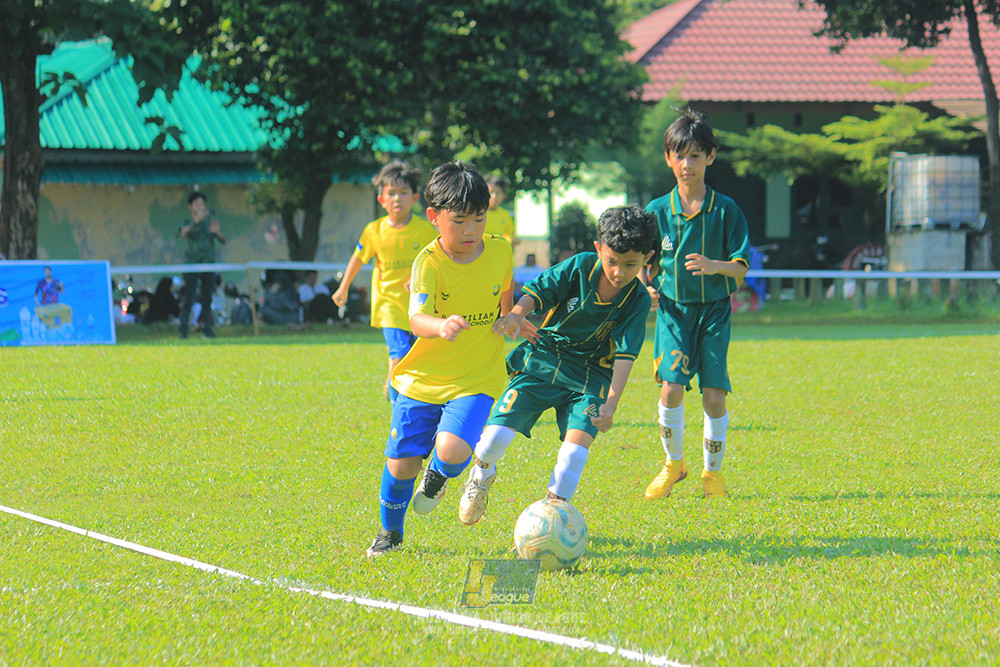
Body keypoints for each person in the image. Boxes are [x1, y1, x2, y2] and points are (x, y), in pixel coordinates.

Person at [456, 205, 657, 525]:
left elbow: (626, 353)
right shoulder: (579, 267)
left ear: (647, 258)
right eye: (612, 262)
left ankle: (551, 518)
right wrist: (517, 314)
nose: (619, 272)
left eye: (631, 264)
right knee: (494, 440)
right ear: (598, 249)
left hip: (591, 377)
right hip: (545, 358)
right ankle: (481, 474)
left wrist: (611, 403)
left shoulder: (638, 300)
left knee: (575, 454)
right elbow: (539, 291)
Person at [365, 161, 519, 557]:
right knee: (401, 467)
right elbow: (415, 319)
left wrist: (511, 318)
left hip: (477, 377)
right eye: (460, 221)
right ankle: (390, 534)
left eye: (479, 219)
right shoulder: (428, 263)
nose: (471, 231)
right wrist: (441, 325)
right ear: (434, 217)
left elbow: (505, 290)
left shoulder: (500, 249)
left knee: (451, 452)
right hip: (421, 379)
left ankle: (440, 475)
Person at [642, 109, 751, 500]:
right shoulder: (655, 212)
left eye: (695, 155)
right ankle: (673, 464)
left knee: (714, 396)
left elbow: (740, 270)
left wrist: (713, 266)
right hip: (673, 313)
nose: (687, 164)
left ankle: (713, 474)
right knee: (670, 390)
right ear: (668, 158)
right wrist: (646, 288)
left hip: (715, 313)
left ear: (711, 156)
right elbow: (641, 262)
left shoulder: (726, 211)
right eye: (679, 155)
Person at [332, 162, 437, 403]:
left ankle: (404, 388)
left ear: (414, 198)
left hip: (419, 305)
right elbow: (358, 259)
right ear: (382, 200)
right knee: (398, 353)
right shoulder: (374, 230)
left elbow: (437, 257)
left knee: (415, 356)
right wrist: (343, 287)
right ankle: (397, 404)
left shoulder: (424, 229)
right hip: (388, 305)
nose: (396, 198)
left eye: (402, 193)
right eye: (391, 193)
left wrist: (417, 276)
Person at [177, 191, 226, 339]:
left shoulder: (210, 221)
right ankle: (183, 331)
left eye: (202, 203)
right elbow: (184, 234)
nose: (200, 206)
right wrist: (196, 221)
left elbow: (223, 240)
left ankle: (207, 330)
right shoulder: (188, 222)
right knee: (189, 298)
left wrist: (217, 233)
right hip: (192, 265)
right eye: (197, 204)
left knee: (207, 298)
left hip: (208, 265)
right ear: (190, 206)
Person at [484, 175, 517, 247]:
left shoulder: (505, 215)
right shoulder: (477, 214)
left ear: (504, 195)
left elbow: (509, 235)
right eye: (491, 192)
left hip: (500, 254)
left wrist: (512, 240)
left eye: (498, 193)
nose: (494, 196)